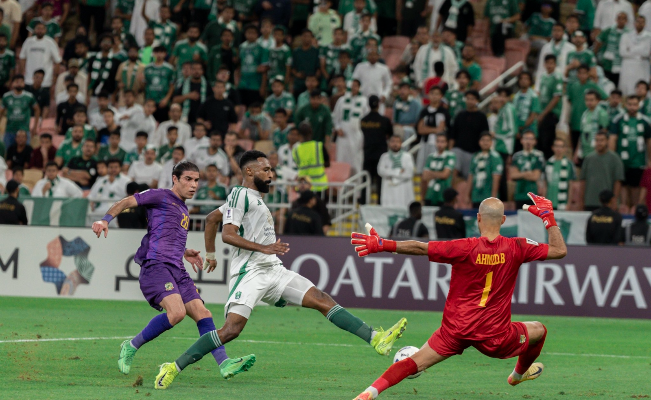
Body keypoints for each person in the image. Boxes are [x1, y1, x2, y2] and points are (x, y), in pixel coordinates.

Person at [153, 151, 408, 389]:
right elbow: (228, 235)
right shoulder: (240, 195)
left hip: (273, 269)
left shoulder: (249, 199)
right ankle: (173, 366)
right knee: (231, 330)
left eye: (271, 170)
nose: (271, 174)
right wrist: (261, 248)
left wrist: (210, 254)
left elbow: (211, 220)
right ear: (250, 172)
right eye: (265, 170)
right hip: (250, 272)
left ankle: (375, 338)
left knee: (320, 298)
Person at [350, 193, 567, 400]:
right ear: (502, 220)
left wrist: (381, 244)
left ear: (478, 218)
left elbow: (419, 247)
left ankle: (370, 392)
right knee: (539, 330)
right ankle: (516, 376)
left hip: (456, 330)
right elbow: (559, 250)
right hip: (495, 336)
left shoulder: (463, 247)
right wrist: (548, 217)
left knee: (415, 362)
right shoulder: (518, 247)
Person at [91, 160, 254, 380]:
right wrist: (105, 219)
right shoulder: (160, 195)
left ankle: (224, 363)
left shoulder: (183, 208)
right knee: (176, 313)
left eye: (196, 180)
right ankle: (131, 345)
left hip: (177, 268)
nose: (194, 185)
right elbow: (126, 201)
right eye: (188, 179)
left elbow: (165, 236)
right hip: (156, 266)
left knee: (203, 314)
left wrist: (184, 252)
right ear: (175, 179)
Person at [608, 95, 651, 209]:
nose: (632, 107)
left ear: (639, 105)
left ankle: (634, 209)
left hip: (638, 161)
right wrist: (612, 159)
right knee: (623, 186)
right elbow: (613, 139)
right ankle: (624, 209)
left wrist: (649, 160)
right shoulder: (618, 120)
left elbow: (649, 141)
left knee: (635, 187)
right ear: (625, 105)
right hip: (622, 161)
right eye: (630, 104)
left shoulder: (645, 121)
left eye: (635, 105)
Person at [579, 131, 625, 211]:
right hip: (590, 202)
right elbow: (583, 181)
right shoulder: (588, 158)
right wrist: (581, 200)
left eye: (602, 140)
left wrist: (614, 201)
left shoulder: (615, 158)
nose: (599, 143)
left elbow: (618, 181)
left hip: (607, 203)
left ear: (607, 141)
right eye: (597, 140)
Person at [333, 79, 369, 175]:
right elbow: (336, 117)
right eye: (352, 85)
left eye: (356, 86)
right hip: (343, 134)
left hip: (356, 134)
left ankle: (357, 188)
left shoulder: (364, 101)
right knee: (341, 159)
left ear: (359, 87)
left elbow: (367, 118)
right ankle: (341, 187)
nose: (354, 88)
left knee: (356, 160)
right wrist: (337, 128)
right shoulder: (341, 100)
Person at [450, 90, 488, 178]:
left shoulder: (481, 117)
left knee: (469, 177)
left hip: (473, 152)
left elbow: (485, 136)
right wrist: (450, 151)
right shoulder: (460, 115)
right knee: (453, 173)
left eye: (472, 99)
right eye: (468, 98)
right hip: (458, 150)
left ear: (477, 101)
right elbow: (453, 134)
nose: (470, 101)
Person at [361, 95, 392, 202]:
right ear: (379, 104)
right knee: (380, 181)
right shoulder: (384, 120)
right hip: (381, 154)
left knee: (365, 180)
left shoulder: (363, 121)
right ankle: (380, 203)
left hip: (367, 154)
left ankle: (363, 203)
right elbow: (390, 135)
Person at [0, 75, 40, 149]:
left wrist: (35, 127)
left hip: (24, 130)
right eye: (17, 82)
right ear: (12, 83)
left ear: (24, 83)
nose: (19, 83)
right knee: (7, 152)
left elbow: (37, 109)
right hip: (10, 130)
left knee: (25, 153)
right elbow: (1, 112)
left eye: (21, 82)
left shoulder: (29, 97)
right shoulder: (6, 96)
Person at [536, 54, 563, 159]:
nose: (549, 65)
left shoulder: (557, 77)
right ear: (544, 64)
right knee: (541, 139)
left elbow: (556, 98)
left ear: (555, 64)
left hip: (551, 113)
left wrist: (543, 114)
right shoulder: (543, 76)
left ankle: (549, 161)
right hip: (542, 112)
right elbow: (540, 94)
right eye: (547, 63)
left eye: (552, 63)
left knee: (547, 139)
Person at [535, 23, 576, 89]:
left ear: (563, 32)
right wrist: (537, 87)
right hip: (548, 82)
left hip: (564, 81)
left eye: (559, 30)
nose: (556, 33)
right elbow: (541, 67)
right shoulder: (546, 47)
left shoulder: (571, 48)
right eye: (554, 30)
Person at [510, 132, 545, 210]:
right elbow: (512, 175)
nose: (528, 141)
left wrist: (520, 174)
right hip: (519, 194)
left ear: (535, 141)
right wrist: (527, 173)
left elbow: (535, 177)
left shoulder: (539, 155)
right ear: (521, 140)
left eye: (531, 139)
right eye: (526, 139)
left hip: (534, 194)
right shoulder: (516, 156)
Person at [292, 122, 330, 194]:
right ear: (311, 133)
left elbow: (297, 165)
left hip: (303, 186)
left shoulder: (295, 150)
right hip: (319, 186)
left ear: (299, 135)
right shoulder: (319, 146)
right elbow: (328, 163)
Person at [468, 133, 503, 209]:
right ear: (479, 142)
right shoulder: (475, 156)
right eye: (483, 140)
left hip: (488, 196)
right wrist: (468, 195)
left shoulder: (495, 157)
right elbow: (471, 176)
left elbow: (496, 178)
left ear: (491, 142)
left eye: (488, 140)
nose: (485, 142)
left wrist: (493, 197)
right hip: (476, 196)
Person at [378, 135, 415, 207]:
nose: (395, 144)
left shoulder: (407, 156)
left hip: (403, 190)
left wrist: (388, 172)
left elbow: (409, 173)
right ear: (389, 143)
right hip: (388, 190)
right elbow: (380, 171)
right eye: (393, 141)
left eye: (397, 142)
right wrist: (398, 171)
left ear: (401, 143)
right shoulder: (384, 156)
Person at [594, 12, 629, 87]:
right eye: (619, 18)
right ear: (616, 19)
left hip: (620, 64)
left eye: (623, 19)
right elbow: (598, 42)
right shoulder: (608, 30)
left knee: (616, 85)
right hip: (606, 62)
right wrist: (595, 55)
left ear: (626, 21)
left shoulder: (629, 34)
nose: (621, 21)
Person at [619, 16, 651, 96]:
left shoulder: (649, 36)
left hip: (642, 66)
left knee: (642, 87)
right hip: (628, 66)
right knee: (627, 88)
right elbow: (622, 52)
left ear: (645, 24)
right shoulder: (626, 35)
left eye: (642, 22)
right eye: (638, 21)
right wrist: (639, 51)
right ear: (634, 23)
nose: (639, 24)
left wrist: (630, 50)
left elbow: (646, 53)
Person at [422, 133, 455, 206]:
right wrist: (439, 173)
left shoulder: (450, 156)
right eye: (438, 141)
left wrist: (431, 173)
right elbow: (424, 176)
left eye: (442, 142)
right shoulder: (430, 156)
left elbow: (445, 175)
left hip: (443, 195)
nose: (440, 144)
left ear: (446, 143)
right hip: (430, 194)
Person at [544, 138, 576, 210]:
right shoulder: (548, 163)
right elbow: (545, 184)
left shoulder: (569, 164)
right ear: (553, 148)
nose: (559, 149)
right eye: (557, 146)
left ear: (565, 149)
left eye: (561, 146)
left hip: (563, 202)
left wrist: (569, 203)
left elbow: (571, 185)